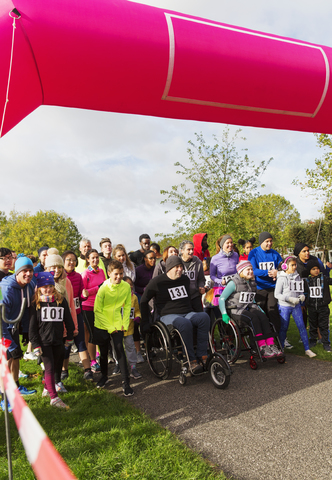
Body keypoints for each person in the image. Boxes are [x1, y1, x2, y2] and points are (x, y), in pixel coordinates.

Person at [140, 255, 210, 374]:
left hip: (186, 312)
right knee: (184, 323)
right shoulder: (157, 282)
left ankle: (203, 355)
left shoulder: (184, 279)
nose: (180, 269)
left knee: (204, 317)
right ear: (169, 268)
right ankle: (191, 360)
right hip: (167, 316)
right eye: (176, 267)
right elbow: (143, 301)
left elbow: (188, 297)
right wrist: (145, 321)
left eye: (181, 267)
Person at [29, 272, 75, 409]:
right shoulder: (35, 304)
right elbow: (32, 327)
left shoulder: (60, 300)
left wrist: (70, 336)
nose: (47, 289)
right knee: (49, 367)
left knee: (56, 367)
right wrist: (36, 345)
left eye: (50, 286)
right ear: (39, 288)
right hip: (43, 342)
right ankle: (54, 398)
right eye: (44, 287)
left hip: (58, 340)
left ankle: (46, 387)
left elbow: (68, 319)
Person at [219, 260, 282, 358]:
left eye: (251, 269)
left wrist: (259, 309)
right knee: (253, 318)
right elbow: (222, 298)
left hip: (248, 306)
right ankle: (261, 346)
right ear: (241, 271)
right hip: (235, 309)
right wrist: (224, 313)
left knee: (263, 317)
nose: (251, 271)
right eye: (248, 269)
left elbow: (251, 299)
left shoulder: (252, 282)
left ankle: (271, 344)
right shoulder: (233, 283)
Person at [1, 254, 37, 411]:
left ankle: (15, 387)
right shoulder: (7, 288)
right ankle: (4, 398)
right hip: (2, 328)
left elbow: (27, 309)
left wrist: (27, 331)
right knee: (6, 363)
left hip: (13, 326)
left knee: (16, 358)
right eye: (24, 271)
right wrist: (10, 344)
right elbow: (0, 321)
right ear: (17, 272)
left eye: (30, 270)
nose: (28, 274)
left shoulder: (28, 286)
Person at [93, 260, 134, 396]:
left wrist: (124, 323)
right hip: (102, 324)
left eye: (121, 274)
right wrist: (110, 327)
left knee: (119, 350)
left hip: (117, 323)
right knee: (104, 352)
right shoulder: (103, 288)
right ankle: (104, 377)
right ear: (109, 274)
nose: (119, 277)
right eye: (116, 274)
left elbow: (127, 306)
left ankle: (126, 382)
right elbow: (97, 310)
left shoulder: (126, 287)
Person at [44, 248, 78, 392]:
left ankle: (57, 381)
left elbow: (71, 304)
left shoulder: (67, 282)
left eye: (59, 267)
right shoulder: (42, 282)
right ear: (47, 268)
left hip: (63, 326)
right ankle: (48, 384)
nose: (56, 270)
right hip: (47, 327)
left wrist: (74, 326)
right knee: (48, 358)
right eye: (53, 267)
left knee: (60, 355)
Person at [274, 256, 316, 358]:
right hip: (285, 307)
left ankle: (307, 349)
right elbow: (277, 294)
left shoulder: (298, 276)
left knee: (302, 326)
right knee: (284, 327)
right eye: (292, 265)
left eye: (295, 265)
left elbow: (300, 290)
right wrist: (289, 299)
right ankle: (281, 348)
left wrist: (302, 295)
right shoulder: (281, 278)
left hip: (296, 306)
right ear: (285, 266)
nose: (294, 267)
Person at [62, 250, 93, 381]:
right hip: (63, 316)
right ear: (63, 261)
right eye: (69, 260)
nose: (71, 262)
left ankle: (88, 370)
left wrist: (83, 295)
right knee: (66, 344)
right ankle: (64, 370)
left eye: (74, 260)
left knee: (80, 341)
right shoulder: (59, 277)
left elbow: (80, 295)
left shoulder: (78, 276)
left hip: (78, 313)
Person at [248, 232, 282, 333]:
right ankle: (261, 336)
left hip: (272, 288)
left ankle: (279, 337)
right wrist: (268, 272)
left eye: (271, 241)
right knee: (260, 313)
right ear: (261, 242)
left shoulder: (275, 253)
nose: (269, 243)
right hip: (259, 288)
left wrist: (278, 272)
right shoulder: (254, 253)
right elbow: (253, 270)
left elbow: (283, 267)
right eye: (267, 241)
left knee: (273, 312)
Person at [81, 248, 106, 372]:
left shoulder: (101, 271)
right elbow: (84, 293)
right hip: (88, 306)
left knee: (100, 332)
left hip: (100, 306)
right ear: (88, 260)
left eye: (97, 257)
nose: (95, 260)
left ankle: (101, 357)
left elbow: (105, 286)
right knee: (92, 334)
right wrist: (97, 288)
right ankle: (92, 361)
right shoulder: (86, 274)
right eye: (93, 258)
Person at [303, 258, 332, 352]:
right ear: (309, 270)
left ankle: (326, 343)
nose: (316, 270)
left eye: (317, 268)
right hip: (311, 307)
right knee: (313, 325)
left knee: (324, 325)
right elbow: (305, 293)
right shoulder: (307, 281)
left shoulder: (324, 279)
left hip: (323, 307)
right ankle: (312, 340)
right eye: (313, 269)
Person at [122, 276, 143, 377]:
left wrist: (137, 317)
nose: (130, 286)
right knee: (118, 348)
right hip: (117, 328)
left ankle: (133, 367)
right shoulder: (117, 297)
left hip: (129, 328)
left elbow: (137, 311)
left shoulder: (134, 297)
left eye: (131, 284)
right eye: (127, 284)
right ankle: (119, 365)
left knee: (130, 347)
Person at [179, 240, 206, 312]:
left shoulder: (198, 262)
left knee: (201, 317)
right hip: (181, 297)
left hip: (195, 296)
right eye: (188, 249)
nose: (191, 252)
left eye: (192, 249)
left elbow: (201, 279)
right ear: (182, 251)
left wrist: (201, 286)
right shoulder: (177, 262)